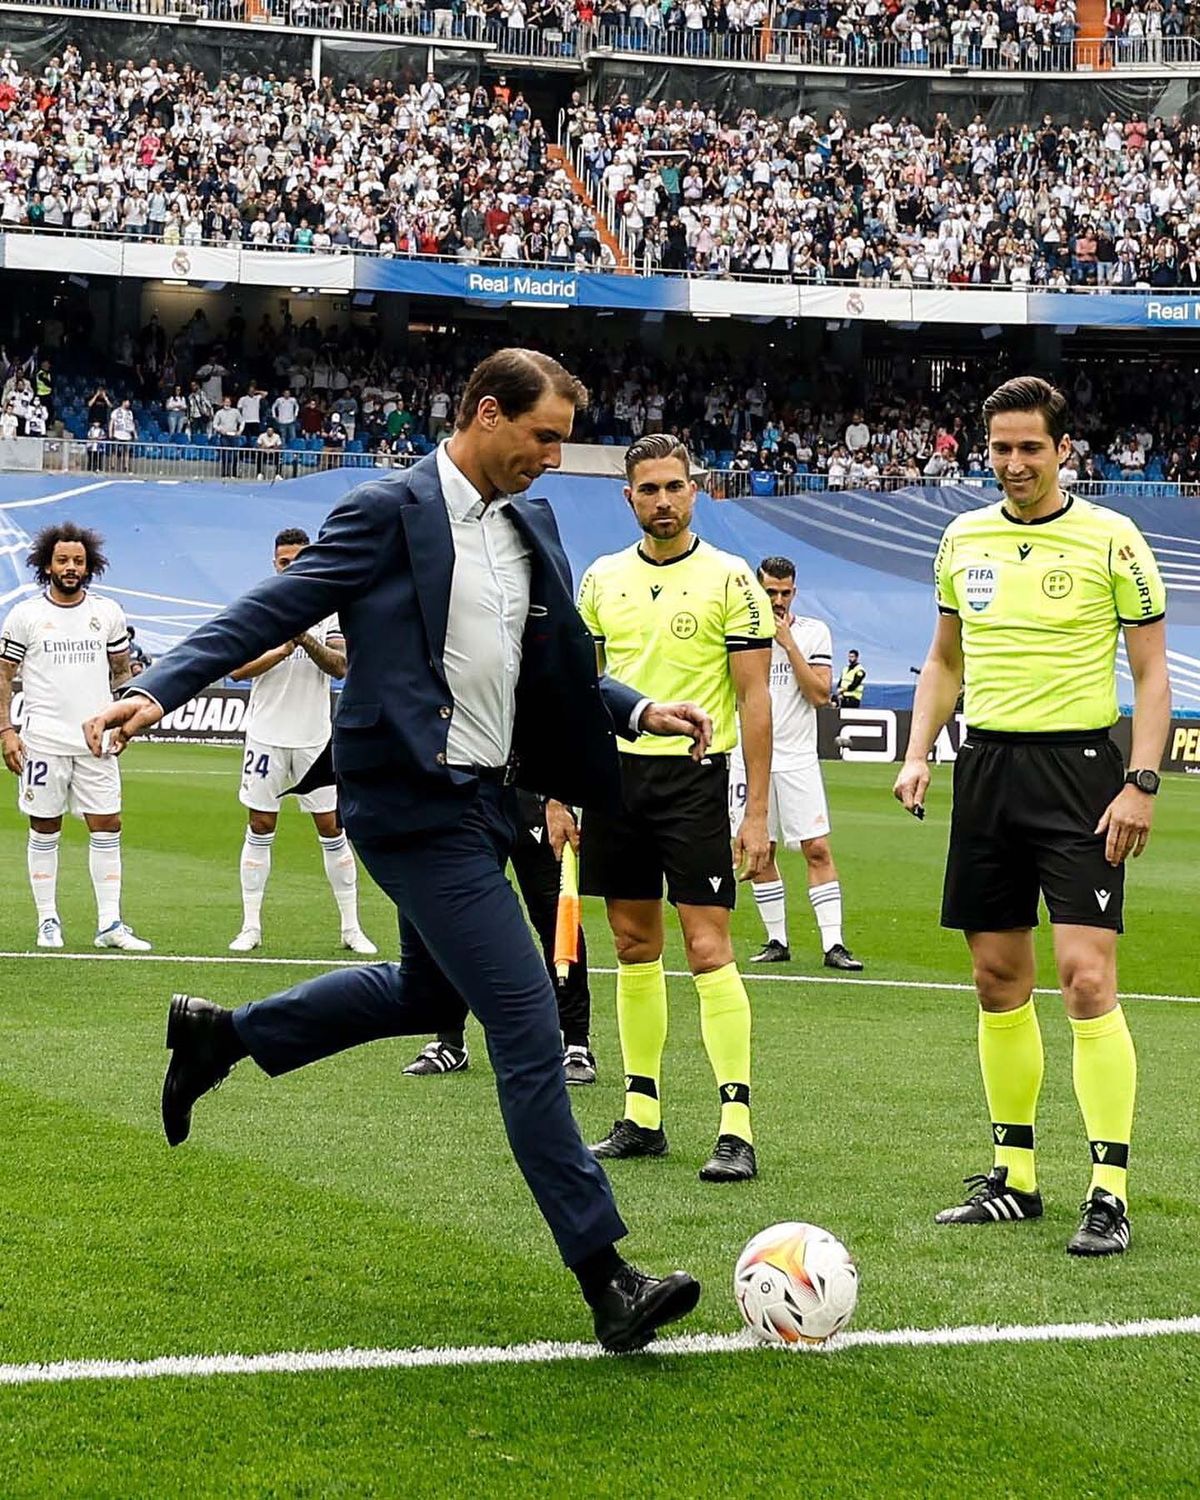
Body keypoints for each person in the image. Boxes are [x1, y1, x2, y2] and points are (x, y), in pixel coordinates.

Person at [85, 348, 712, 1353]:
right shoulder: (390, 510)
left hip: (491, 798)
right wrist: (163, 687)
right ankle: (608, 1279)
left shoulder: (530, 523)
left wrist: (638, 706)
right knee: (525, 1022)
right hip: (409, 805)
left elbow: (540, 673)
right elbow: (276, 607)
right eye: (545, 437)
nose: (556, 459)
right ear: (489, 413)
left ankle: (223, 1037)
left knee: (429, 996)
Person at [894, 376, 1170, 1258]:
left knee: (1087, 977)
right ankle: (1015, 1178)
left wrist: (1142, 781)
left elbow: (1153, 675)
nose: (1014, 463)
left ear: (1063, 451)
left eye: (1030, 448)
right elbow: (944, 660)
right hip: (987, 770)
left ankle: (1109, 1190)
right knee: (995, 979)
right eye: (1001, 448)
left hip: (1083, 774)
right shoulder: (961, 535)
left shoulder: (1112, 539)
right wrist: (916, 750)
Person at [578, 432, 773, 1184]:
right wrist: (563, 792)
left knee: (707, 949)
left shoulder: (731, 579)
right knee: (632, 946)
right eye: (649, 489)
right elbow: (580, 693)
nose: (663, 500)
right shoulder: (600, 579)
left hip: (694, 782)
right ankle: (642, 1115)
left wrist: (755, 814)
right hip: (615, 781)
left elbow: (755, 697)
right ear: (628, 496)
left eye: (675, 487)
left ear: (696, 492)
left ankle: (735, 1125)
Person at [0, 523, 151, 951]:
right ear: (47, 564)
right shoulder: (25, 616)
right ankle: (48, 920)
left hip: (97, 741)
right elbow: (4, 675)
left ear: (90, 566)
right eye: (63, 560)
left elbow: (122, 674)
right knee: (44, 829)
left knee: (108, 825)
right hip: (43, 741)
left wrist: (125, 722)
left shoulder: (108, 613)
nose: (71, 567)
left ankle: (110, 924)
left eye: (78, 561)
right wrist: (6, 730)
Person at [226, 528, 375, 957]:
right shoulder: (260, 605)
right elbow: (237, 669)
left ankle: (351, 927)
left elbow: (340, 666)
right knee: (260, 825)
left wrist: (303, 636)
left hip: (315, 736)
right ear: (274, 563)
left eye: (298, 560)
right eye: (283, 561)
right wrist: (282, 646)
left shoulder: (330, 609)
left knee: (332, 827)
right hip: (266, 734)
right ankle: (250, 926)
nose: (290, 567)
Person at [403, 789, 597, 1083]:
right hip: (472, 798)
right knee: (458, 914)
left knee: (554, 915)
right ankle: (449, 1040)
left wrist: (558, 799)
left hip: (531, 795)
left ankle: (575, 1043)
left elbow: (559, 741)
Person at [731, 557, 862, 971]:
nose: (779, 600)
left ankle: (834, 944)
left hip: (797, 757)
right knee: (758, 851)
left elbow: (821, 693)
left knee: (817, 847)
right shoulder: (736, 632)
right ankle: (776, 939)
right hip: (746, 758)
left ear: (795, 592)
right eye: (771, 592)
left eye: (786, 592)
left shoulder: (811, 632)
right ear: (757, 589)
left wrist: (787, 643)